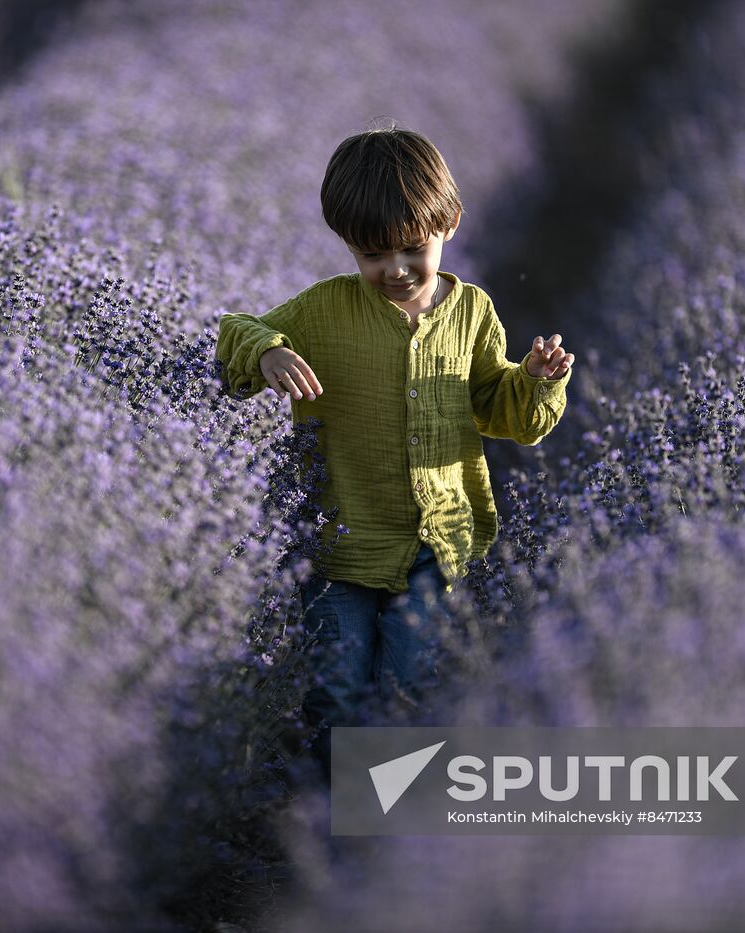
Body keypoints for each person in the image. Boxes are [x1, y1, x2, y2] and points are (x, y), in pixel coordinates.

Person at [214, 124, 574, 783]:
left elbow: (500, 409)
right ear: (346, 243)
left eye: (414, 248)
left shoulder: (473, 313)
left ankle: (390, 824)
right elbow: (237, 328)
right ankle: (335, 814)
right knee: (337, 687)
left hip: (435, 546)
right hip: (340, 541)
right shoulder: (324, 310)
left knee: (409, 679)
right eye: (374, 254)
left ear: (451, 225)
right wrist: (268, 352)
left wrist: (538, 381)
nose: (397, 269)